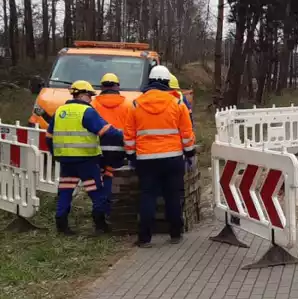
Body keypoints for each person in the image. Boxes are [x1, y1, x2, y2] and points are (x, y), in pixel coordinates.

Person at [124, 65, 196, 247]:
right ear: (166, 82)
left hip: (146, 160)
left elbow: (129, 135)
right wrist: (190, 153)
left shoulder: (136, 104)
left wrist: (132, 156)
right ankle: (175, 234)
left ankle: (144, 238)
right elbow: (187, 133)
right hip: (173, 159)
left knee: (148, 196)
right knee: (172, 195)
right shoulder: (177, 103)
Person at [46, 80, 123, 235]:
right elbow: (106, 132)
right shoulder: (87, 112)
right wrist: (126, 136)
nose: (91, 99)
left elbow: (49, 136)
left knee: (66, 190)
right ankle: (100, 224)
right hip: (86, 160)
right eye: (90, 95)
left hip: (66, 161)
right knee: (96, 191)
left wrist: (56, 154)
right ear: (82, 95)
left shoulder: (60, 111)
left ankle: (61, 224)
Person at [92, 73, 130, 217]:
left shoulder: (93, 105)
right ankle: (109, 209)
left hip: (97, 148)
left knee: (99, 179)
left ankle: (100, 210)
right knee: (112, 177)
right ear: (117, 86)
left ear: (102, 87)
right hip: (119, 149)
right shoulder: (127, 105)